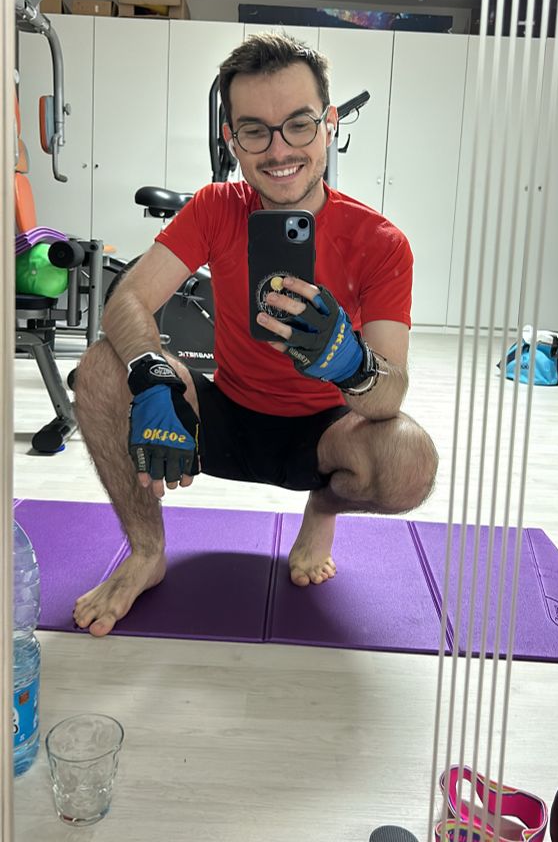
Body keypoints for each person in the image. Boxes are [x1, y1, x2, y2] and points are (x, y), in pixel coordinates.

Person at [73, 32, 438, 638]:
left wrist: (350, 363)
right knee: (101, 367)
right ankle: (146, 552)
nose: (279, 150)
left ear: (329, 125)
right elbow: (127, 299)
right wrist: (150, 371)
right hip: (228, 414)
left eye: (298, 125)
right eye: (255, 131)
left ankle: (322, 508)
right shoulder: (216, 206)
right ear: (231, 140)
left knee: (409, 460)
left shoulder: (382, 243)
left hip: (325, 436)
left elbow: (389, 395)